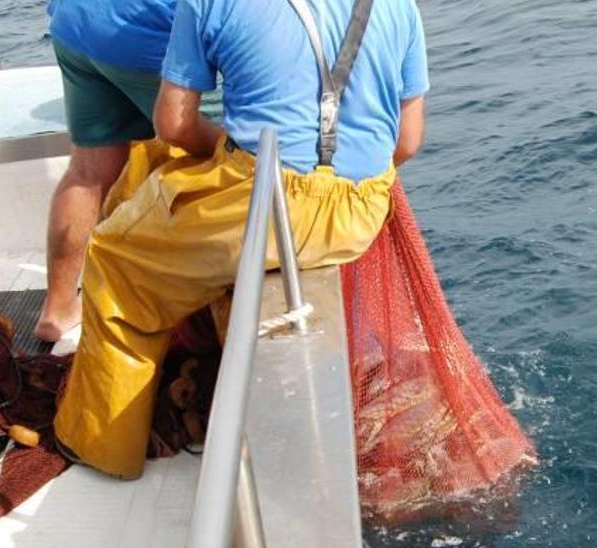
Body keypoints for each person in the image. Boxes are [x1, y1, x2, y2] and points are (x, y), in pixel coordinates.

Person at [53, 0, 429, 478]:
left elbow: (173, 125)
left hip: (263, 202)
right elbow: (408, 140)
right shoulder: (399, 6)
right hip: (361, 209)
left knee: (116, 261)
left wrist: (234, 159)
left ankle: (100, 446)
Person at [35, 0, 180, 342]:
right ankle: (197, 313)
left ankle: (58, 309)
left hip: (76, 22)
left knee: (87, 172)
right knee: (212, 164)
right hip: (146, 32)